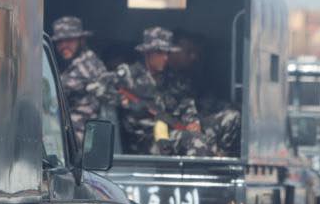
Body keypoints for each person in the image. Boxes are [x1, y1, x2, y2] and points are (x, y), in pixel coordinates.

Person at [114, 27, 211, 156]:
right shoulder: (129, 74)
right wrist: (126, 103)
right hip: (142, 139)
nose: (165, 58)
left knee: (202, 138)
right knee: (194, 141)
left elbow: (185, 103)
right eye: (160, 53)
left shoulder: (172, 79)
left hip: (168, 133)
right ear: (147, 53)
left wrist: (193, 122)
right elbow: (105, 90)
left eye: (167, 53)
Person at [169, 30, 242, 156]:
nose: (194, 57)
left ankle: (222, 160)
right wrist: (192, 123)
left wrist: (231, 106)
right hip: (172, 128)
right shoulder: (162, 77)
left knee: (232, 116)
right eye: (189, 52)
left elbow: (206, 102)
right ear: (173, 52)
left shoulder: (188, 77)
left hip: (194, 123)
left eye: (196, 53)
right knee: (195, 138)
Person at [52, 16, 114, 144]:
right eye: (59, 42)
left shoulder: (87, 64)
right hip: (68, 129)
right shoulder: (72, 63)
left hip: (80, 134)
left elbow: (57, 93)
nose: (64, 45)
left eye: (69, 40)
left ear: (81, 40)